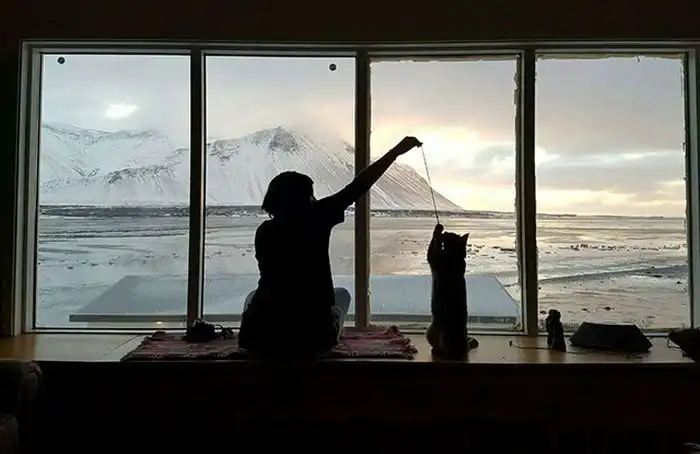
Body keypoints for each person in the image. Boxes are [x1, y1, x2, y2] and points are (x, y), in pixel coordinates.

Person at [238, 136, 423, 358]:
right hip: (313, 337)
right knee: (342, 295)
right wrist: (396, 151)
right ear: (303, 199)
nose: (315, 199)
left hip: (258, 336)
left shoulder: (264, 231)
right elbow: (358, 187)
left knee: (253, 296)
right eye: (311, 195)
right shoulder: (316, 218)